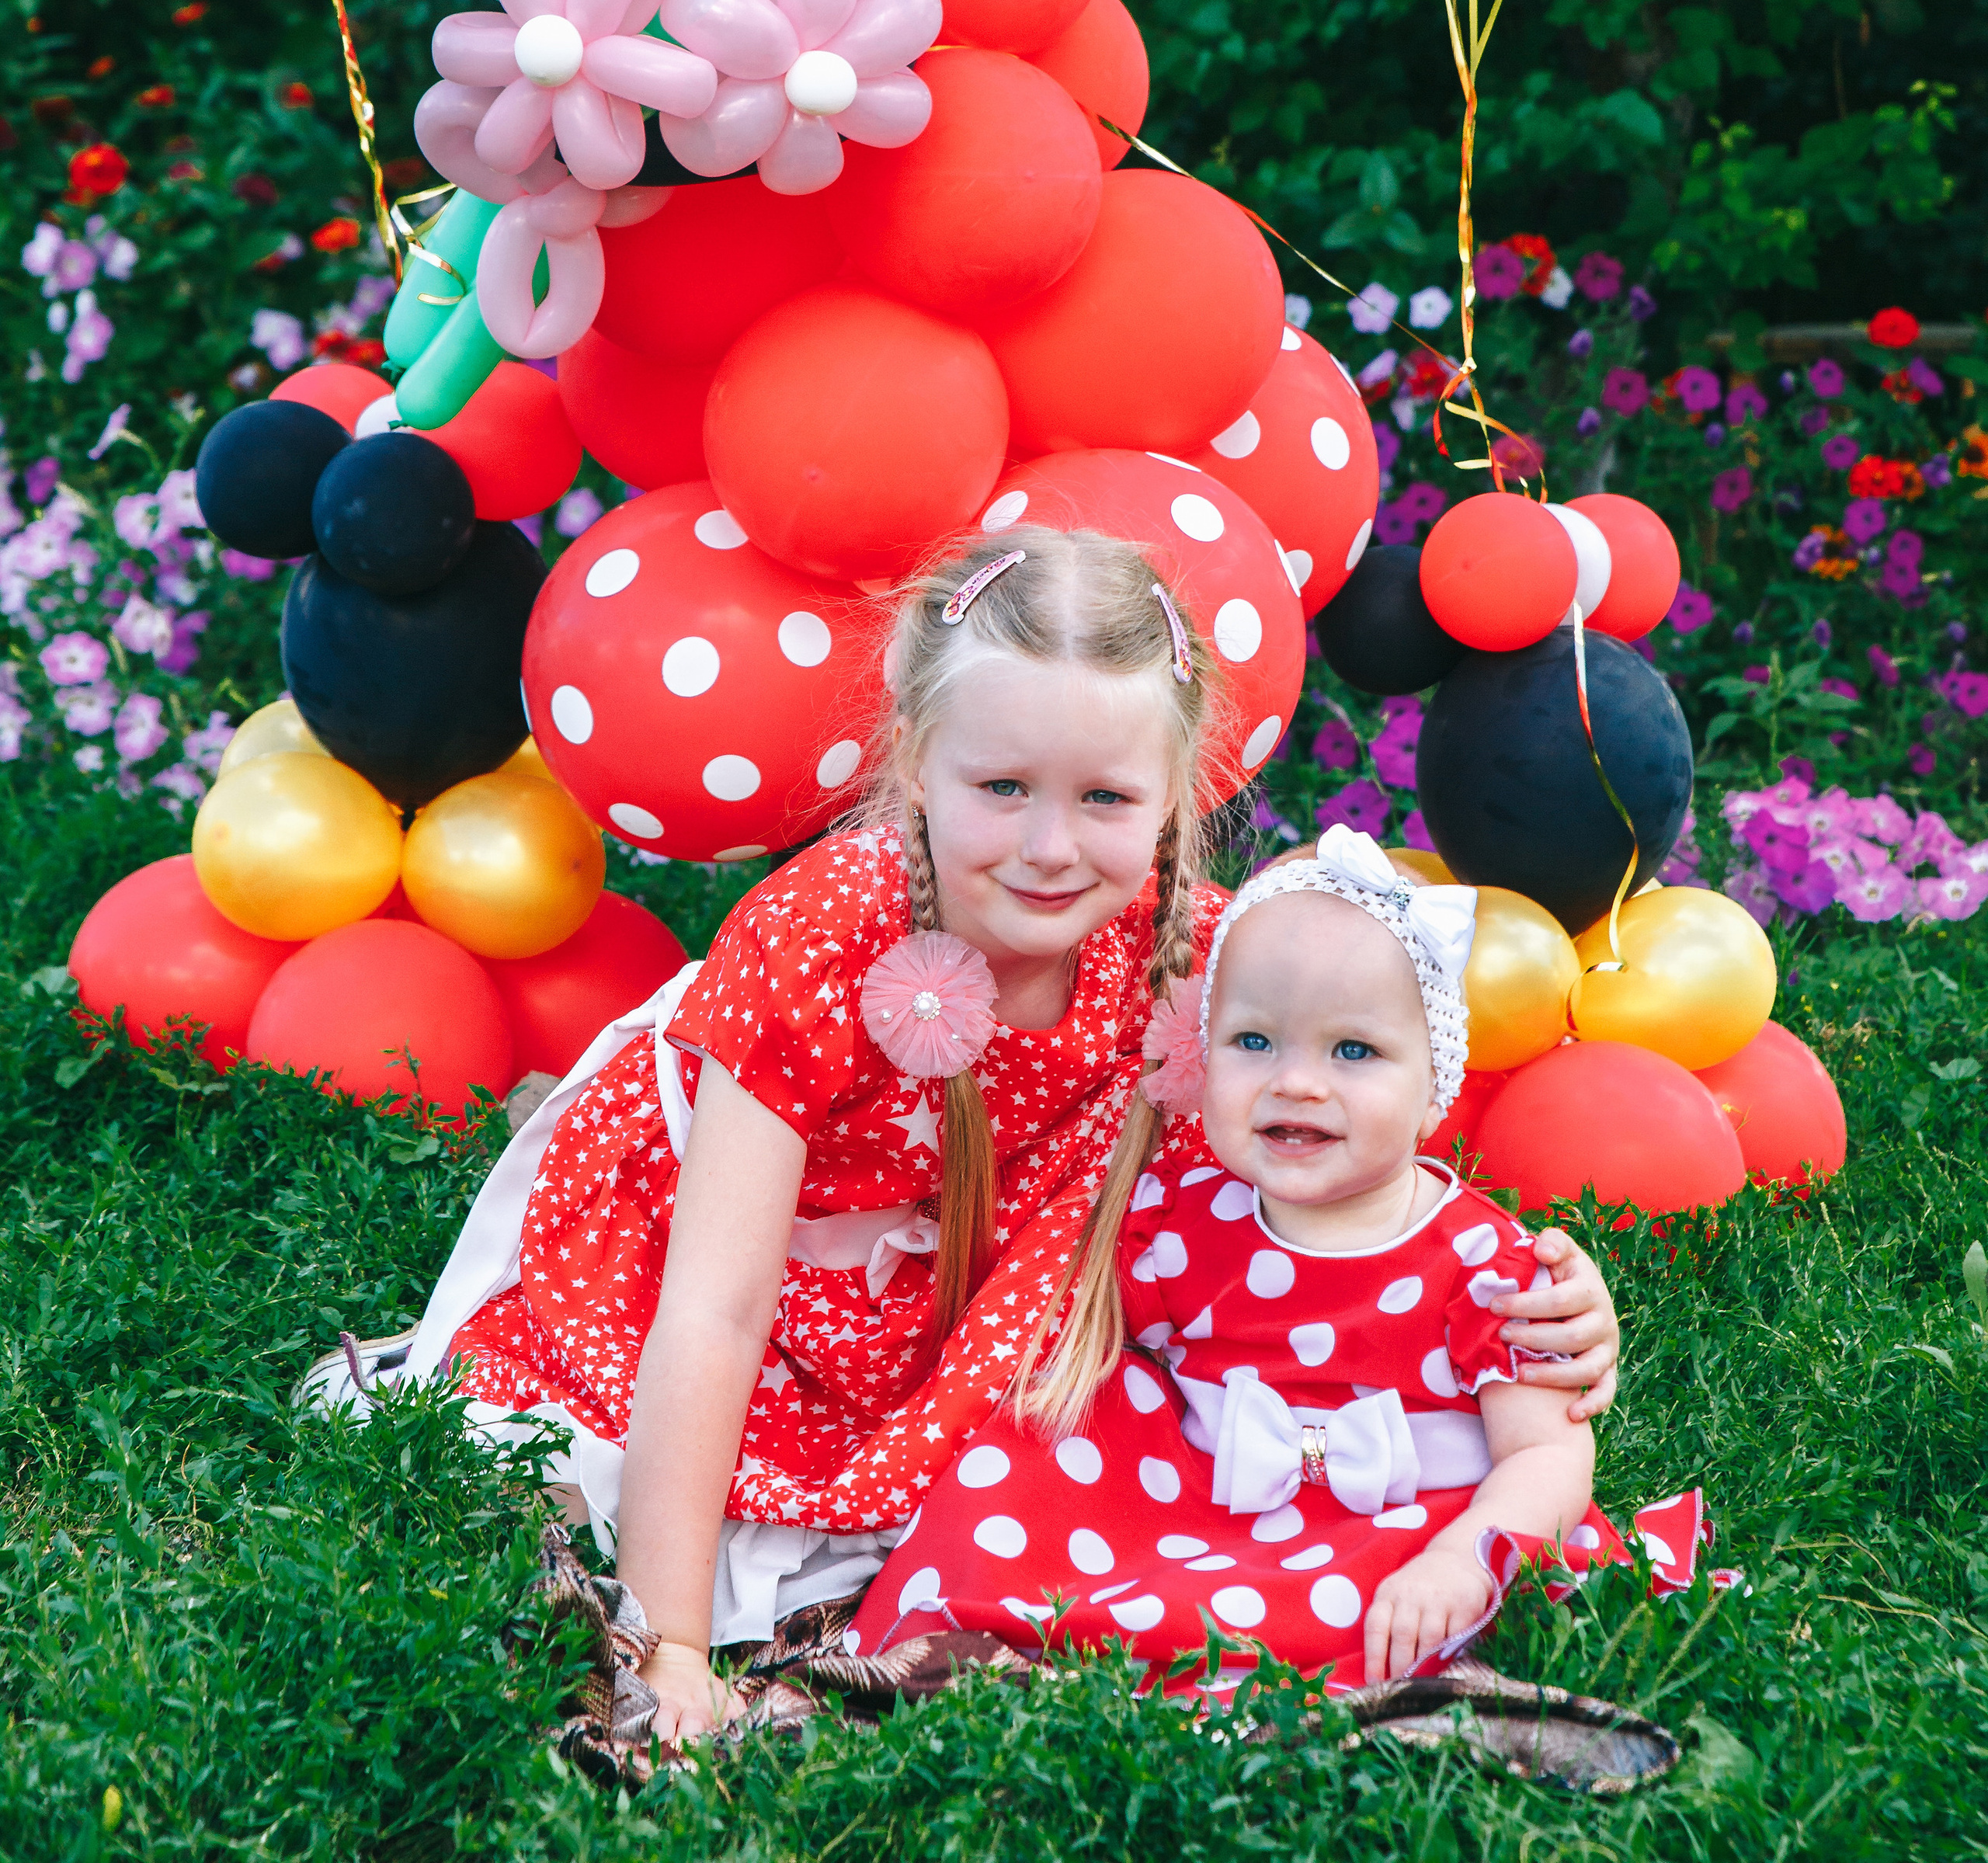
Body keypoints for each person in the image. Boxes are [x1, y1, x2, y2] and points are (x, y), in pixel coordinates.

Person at [396, 533, 1624, 1741]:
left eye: (1104, 799)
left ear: (1176, 792)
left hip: (989, 1276)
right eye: (1002, 789)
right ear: (920, 761)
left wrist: (1543, 1308)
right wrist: (665, 1639)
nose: (1050, 848)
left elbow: (1353, 1162)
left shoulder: (1194, 951)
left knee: (1040, 1454)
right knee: (650, 1468)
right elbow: (714, 1308)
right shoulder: (818, 940)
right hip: (759, 1248)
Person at [871, 834, 1664, 1691]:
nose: (1296, 1084)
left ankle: (1223, 1660)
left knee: (1376, 1601)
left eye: (1352, 1052)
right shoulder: (1179, 1216)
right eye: (1253, 1042)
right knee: (1037, 1433)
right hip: (1199, 1499)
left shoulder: (1486, 1265)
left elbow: (1546, 1458)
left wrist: (1462, 1561)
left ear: (1436, 1083)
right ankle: (985, 1620)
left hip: (1403, 1526)